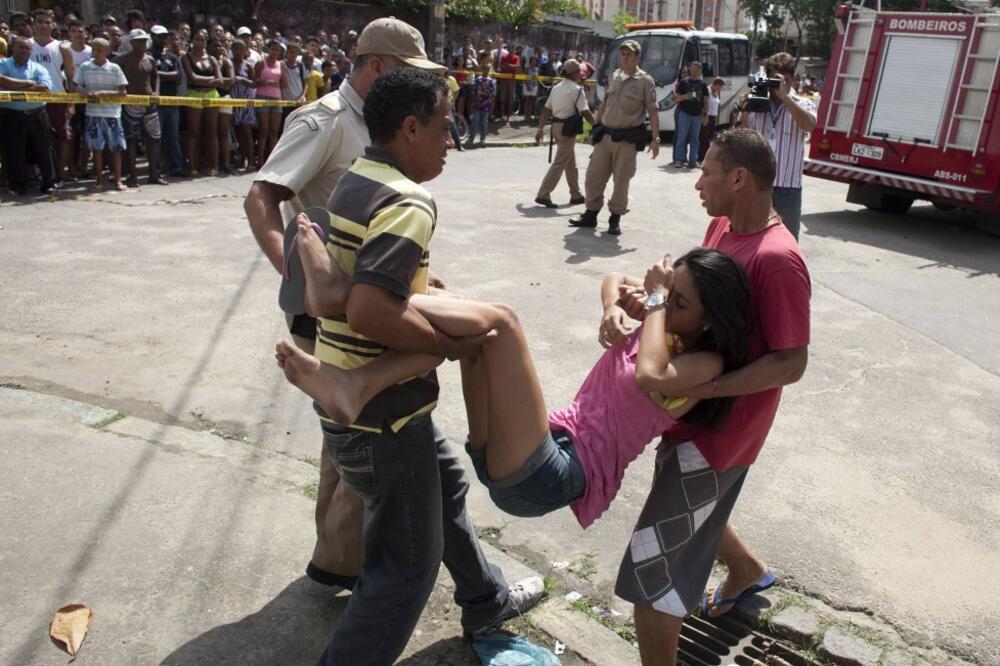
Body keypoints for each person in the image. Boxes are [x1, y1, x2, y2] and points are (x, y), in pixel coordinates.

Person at [275, 66, 544, 666]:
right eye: (446, 128)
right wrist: (446, 344)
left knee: (446, 490)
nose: (454, 139)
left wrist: (419, 290)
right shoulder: (409, 199)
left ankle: (486, 601)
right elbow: (372, 307)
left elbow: (368, 278)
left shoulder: (358, 178)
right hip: (385, 423)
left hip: (362, 414)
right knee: (405, 573)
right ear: (411, 127)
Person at [244, 16, 446, 601]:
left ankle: (338, 562)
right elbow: (263, 194)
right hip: (339, 307)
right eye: (411, 72)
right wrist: (295, 268)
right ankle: (355, 569)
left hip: (371, 294)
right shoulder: (327, 121)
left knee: (351, 432)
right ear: (379, 67)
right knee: (359, 431)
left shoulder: (378, 123)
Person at [613, 127, 811, 665]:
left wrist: (713, 386)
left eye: (707, 171)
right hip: (690, 413)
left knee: (652, 571)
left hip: (722, 432)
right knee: (697, 511)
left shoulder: (778, 258)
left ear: (740, 178)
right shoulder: (722, 225)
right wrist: (647, 310)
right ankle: (747, 571)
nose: (697, 181)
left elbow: (792, 362)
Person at [569, 39, 659, 236]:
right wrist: (595, 127)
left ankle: (615, 218)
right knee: (593, 176)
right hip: (606, 135)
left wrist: (655, 139)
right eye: (623, 54)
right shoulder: (614, 76)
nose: (625, 57)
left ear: (637, 57)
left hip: (627, 139)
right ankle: (591, 214)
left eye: (629, 54)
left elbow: (653, 111)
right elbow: (605, 103)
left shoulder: (645, 81)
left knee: (621, 181)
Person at [739, 52, 816, 240]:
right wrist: (745, 110)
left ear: (792, 79)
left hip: (787, 188)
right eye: (773, 78)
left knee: (786, 241)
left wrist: (785, 97)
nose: (776, 85)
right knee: (751, 238)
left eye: (782, 79)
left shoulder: (802, 103)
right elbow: (744, 137)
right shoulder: (759, 103)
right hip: (758, 184)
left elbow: (809, 125)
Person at [0, 35, 56, 196]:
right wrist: (30, 83)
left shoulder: (38, 68)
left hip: (37, 114)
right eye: (20, 47)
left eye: (27, 48)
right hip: (12, 114)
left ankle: (48, 183)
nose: (24, 50)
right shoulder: (3, 64)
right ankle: (18, 185)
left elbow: (45, 87)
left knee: (44, 150)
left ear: (31, 50)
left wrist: (13, 87)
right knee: (15, 151)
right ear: (13, 48)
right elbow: (1, 80)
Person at [533, 59, 593, 208]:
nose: (581, 74)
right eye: (580, 71)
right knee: (560, 163)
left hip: (556, 127)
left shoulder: (556, 87)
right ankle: (543, 194)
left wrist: (540, 129)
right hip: (567, 129)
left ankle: (576, 194)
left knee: (570, 163)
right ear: (575, 73)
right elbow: (585, 113)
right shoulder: (577, 90)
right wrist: (599, 126)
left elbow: (547, 110)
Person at [74, 37, 129, 191]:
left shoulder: (115, 68)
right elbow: (76, 86)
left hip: (112, 114)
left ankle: (118, 180)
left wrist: (102, 93)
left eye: (99, 50)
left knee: (116, 148)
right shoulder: (85, 67)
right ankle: (99, 180)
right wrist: (84, 92)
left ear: (107, 51)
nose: (96, 53)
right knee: (96, 148)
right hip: (93, 113)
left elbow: (122, 91)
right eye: (94, 49)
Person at [30, 8, 76, 186]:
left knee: (62, 137)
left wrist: (71, 103)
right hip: (33, 99)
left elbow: (71, 78)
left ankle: (61, 175)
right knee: (37, 139)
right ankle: (41, 174)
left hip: (58, 97)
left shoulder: (62, 47)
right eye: (40, 21)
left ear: (53, 24)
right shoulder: (26, 44)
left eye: (47, 22)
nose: (43, 25)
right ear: (33, 23)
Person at [115, 29, 166, 187]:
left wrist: (156, 91)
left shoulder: (150, 60)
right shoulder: (122, 60)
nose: (141, 44)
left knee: (153, 140)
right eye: (138, 41)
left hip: (149, 104)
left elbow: (155, 76)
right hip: (131, 103)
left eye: (143, 41)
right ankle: (132, 176)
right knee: (131, 141)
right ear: (131, 43)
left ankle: (154, 174)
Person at [182, 29, 222, 176]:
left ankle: (214, 166)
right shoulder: (186, 57)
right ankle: (192, 166)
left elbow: (220, 80)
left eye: (203, 40)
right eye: (197, 39)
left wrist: (211, 81)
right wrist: (212, 80)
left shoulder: (212, 59)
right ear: (193, 41)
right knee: (193, 132)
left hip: (212, 95)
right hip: (194, 94)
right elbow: (192, 78)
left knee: (212, 131)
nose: (200, 42)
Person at [151, 26, 184, 178]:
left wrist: (158, 73)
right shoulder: (148, 56)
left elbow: (177, 75)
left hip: (171, 101)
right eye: (159, 36)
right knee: (155, 137)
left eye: (165, 36)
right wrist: (164, 76)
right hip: (155, 102)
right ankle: (155, 169)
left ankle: (176, 167)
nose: (162, 39)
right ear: (152, 37)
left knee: (173, 136)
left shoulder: (172, 57)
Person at [254, 38, 286, 166]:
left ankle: (272, 161)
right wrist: (265, 82)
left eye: (278, 50)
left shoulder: (280, 64)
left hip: (276, 99)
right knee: (263, 131)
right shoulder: (261, 63)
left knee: (274, 131)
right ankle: (260, 160)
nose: (275, 52)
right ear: (269, 49)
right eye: (273, 49)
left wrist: (282, 74)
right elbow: (253, 81)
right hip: (263, 97)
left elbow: (284, 85)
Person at [672, 61, 708, 169]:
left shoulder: (703, 84)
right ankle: (679, 160)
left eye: (696, 70)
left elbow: (706, 101)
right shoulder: (683, 82)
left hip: (697, 115)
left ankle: (693, 160)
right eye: (692, 70)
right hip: (684, 113)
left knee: (695, 139)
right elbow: (676, 98)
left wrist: (705, 115)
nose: (694, 72)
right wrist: (685, 97)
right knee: (681, 137)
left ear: (700, 71)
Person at [229, 38, 257, 171]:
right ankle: (241, 159)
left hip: (246, 101)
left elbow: (254, 83)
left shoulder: (248, 66)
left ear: (245, 50)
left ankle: (250, 162)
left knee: (247, 132)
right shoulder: (229, 63)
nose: (238, 52)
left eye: (241, 49)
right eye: (236, 49)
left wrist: (241, 79)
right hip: (233, 100)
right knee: (238, 133)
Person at [467, 62, 495, 148]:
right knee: (475, 121)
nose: (486, 71)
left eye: (487, 69)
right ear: (482, 70)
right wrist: (477, 101)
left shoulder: (491, 81)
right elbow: (474, 92)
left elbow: (491, 94)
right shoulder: (478, 79)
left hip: (486, 105)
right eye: (484, 69)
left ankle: (482, 139)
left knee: (484, 122)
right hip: (477, 104)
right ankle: (471, 138)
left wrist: (486, 102)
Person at [698, 77, 724, 163]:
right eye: (720, 86)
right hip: (707, 116)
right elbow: (704, 103)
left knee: (710, 137)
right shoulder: (708, 90)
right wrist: (705, 116)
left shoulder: (716, 92)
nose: (720, 89)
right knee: (704, 137)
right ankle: (700, 156)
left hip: (713, 117)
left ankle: (707, 155)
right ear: (716, 84)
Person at [521, 55, 539, 122]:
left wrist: (537, 88)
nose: (534, 62)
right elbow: (524, 78)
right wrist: (527, 85)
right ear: (530, 61)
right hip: (527, 86)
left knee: (531, 101)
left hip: (534, 86)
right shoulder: (527, 68)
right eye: (533, 60)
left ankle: (529, 115)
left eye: (535, 61)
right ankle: (525, 116)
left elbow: (537, 79)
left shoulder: (537, 69)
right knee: (527, 101)